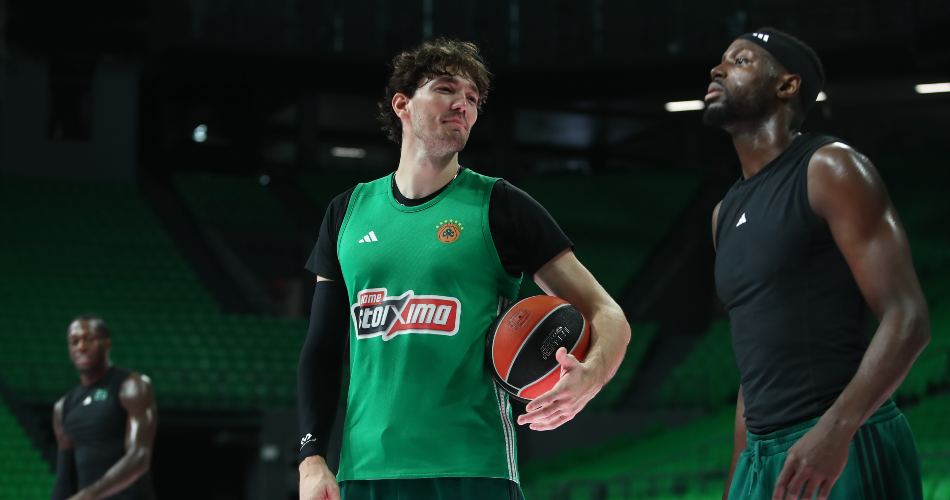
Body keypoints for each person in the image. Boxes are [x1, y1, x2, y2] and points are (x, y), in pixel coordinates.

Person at [296, 38, 631, 500]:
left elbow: (607, 313)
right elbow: (321, 346)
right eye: (446, 89)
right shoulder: (346, 212)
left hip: (475, 469)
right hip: (366, 469)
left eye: (473, 98)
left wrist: (590, 377)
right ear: (402, 105)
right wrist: (311, 456)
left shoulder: (501, 206)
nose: (463, 105)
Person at [705, 27, 930, 500]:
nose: (718, 69)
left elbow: (907, 317)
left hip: (843, 441)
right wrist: (738, 481)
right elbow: (754, 371)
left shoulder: (830, 168)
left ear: (787, 85)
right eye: (722, 60)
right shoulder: (723, 214)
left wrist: (837, 431)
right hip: (764, 458)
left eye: (741, 60)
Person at [52, 315, 157, 500]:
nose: (81, 347)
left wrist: (90, 495)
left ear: (107, 343)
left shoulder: (132, 386)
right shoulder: (63, 406)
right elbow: (64, 478)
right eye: (74, 342)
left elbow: (139, 457)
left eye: (89, 339)